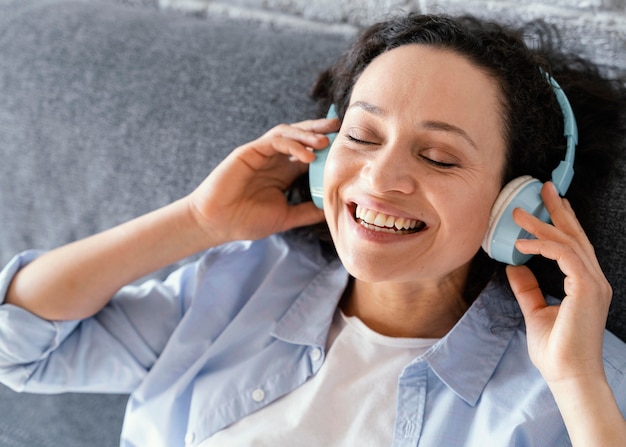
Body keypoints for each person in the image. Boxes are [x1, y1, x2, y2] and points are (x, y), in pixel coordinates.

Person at [1, 12, 625, 447]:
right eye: (361, 136)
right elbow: (20, 345)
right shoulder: (242, 282)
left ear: (521, 204)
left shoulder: (571, 376)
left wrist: (578, 384)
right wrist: (197, 221)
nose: (381, 179)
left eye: (438, 156)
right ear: (324, 153)